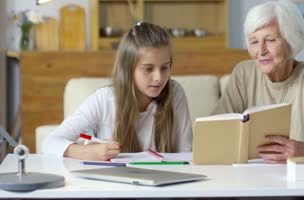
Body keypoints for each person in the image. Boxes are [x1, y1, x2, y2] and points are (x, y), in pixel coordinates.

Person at [213, 0, 304, 163]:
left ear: (292, 42)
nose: (261, 51)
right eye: (254, 42)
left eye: (270, 40)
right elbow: (214, 130)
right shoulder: (244, 74)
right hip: (253, 179)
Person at [43, 22, 192, 161]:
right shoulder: (104, 100)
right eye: (148, 69)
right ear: (128, 69)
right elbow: (50, 142)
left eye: (165, 67)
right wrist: (85, 152)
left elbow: (186, 152)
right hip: (116, 187)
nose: (159, 78)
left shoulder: (175, 93)